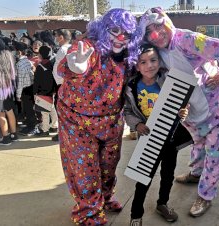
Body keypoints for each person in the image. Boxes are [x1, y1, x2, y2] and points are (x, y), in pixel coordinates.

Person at [139, 7, 219, 218]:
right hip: (193, 111)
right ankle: (195, 174)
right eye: (150, 31)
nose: (156, 34)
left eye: (158, 26)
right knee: (199, 144)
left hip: (217, 108)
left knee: (215, 152)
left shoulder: (187, 39)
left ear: (167, 22)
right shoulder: (155, 51)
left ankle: (206, 195)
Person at [56, 9, 141, 225]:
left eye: (127, 34)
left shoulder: (129, 56)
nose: (121, 37)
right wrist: (77, 66)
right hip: (77, 120)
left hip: (112, 119)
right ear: (103, 30)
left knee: (109, 165)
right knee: (85, 168)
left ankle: (103, 198)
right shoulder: (89, 47)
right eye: (114, 30)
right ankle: (89, 211)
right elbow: (71, 66)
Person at [125, 43, 192, 225]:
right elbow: (128, 111)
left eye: (153, 60)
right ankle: (136, 215)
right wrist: (137, 124)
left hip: (170, 138)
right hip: (148, 139)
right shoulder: (131, 86)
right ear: (136, 65)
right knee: (143, 178)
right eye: (143, 62)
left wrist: (182, 113)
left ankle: (162, 203)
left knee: (168, 175)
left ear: (159, 61)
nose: (150, 66)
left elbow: (181, 106)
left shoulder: (169, 81)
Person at [51, 28, 72, 141]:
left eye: (56, 36)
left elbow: (64, 68)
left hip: (63, 85)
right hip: (64, 84)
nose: (55, 38)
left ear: (61, 37)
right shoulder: (69, 48)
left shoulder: (63, 50)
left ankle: (63, 134)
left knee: (62, 110)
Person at [33, 45, 57, 136]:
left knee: (44, 112)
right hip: (51, 92)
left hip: (42, 92)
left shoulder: (40, 67)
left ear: (41, 54)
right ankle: (54, 126)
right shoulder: (52, 64)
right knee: (52, 109)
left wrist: (35, 92)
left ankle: (45, 130)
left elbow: (36, 81)